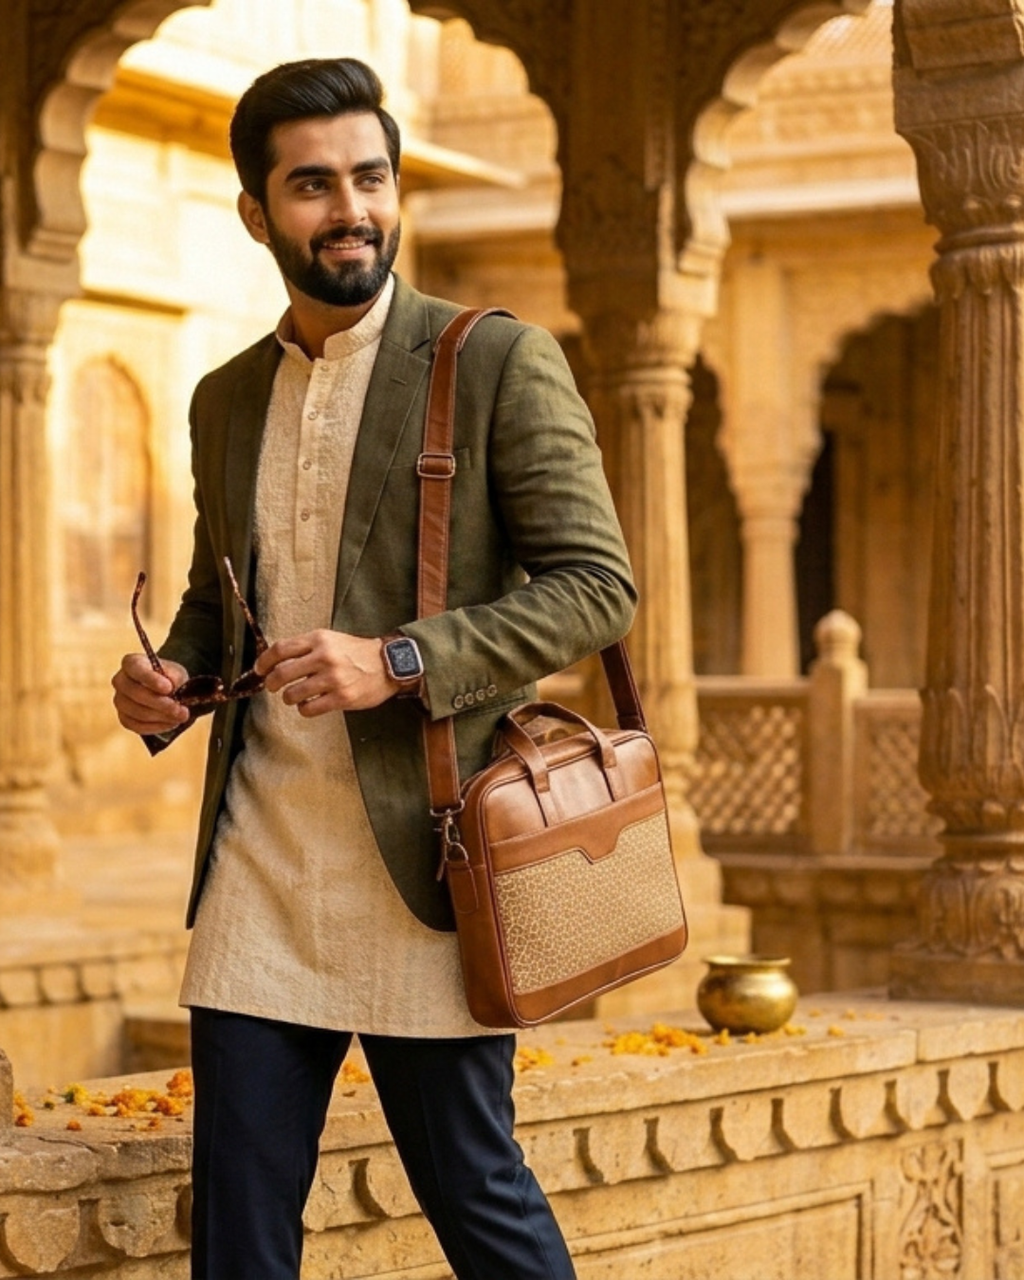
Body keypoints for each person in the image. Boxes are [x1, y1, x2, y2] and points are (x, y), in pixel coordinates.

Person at [112, 56, 635, 1280]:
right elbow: (220, 604)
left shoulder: (491, 359)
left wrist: (399, 658)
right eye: (313, 185)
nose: (351, 208)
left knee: (475, 1197)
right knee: (237, 1229)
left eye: (371, 177)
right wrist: (168, 681)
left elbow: (596, 586)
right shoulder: (223, 396)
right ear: (256, 213)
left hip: (435, 859)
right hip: (260, 870)